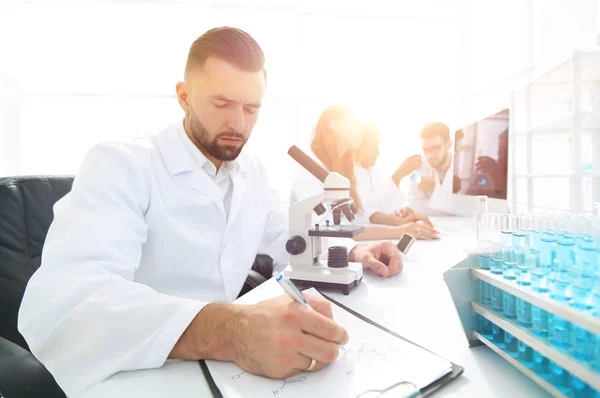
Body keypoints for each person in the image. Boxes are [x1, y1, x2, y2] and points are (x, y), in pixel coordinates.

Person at [17, 27, 404, 397]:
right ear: (184, 96)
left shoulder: (252, 170)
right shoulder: (122, 163)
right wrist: (229, 331)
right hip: (140, 370)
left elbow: (287, 239)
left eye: (251, 108)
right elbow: (63, 306)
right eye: (222, 104)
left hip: (228, 370)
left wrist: (352, 252)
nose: (238, 123)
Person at [290, 105, 439, 241]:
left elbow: (358, 217)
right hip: (311, 252)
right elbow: (326, 230)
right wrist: (398, 230)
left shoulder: (345, 169)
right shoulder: (309, 169)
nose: (361, 131)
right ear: (333, 125)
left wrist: (400, 223)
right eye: (355, 124)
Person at [355, 123, 434, 228]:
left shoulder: (373, 171)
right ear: (358, 147)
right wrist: (399, 174)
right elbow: (365, 213)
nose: (378, 153)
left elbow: (380, 205)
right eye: (373, 148)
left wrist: (399, 211)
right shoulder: (349, 175)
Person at [401, 122, 455, 215]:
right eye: (425, 149)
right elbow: (416, 206)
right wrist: (450, 205)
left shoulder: (463, 167)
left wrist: (434, 190)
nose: (429, 155)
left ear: (449, 144)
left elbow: (469, 208)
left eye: (435, 148)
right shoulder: (419, 167)